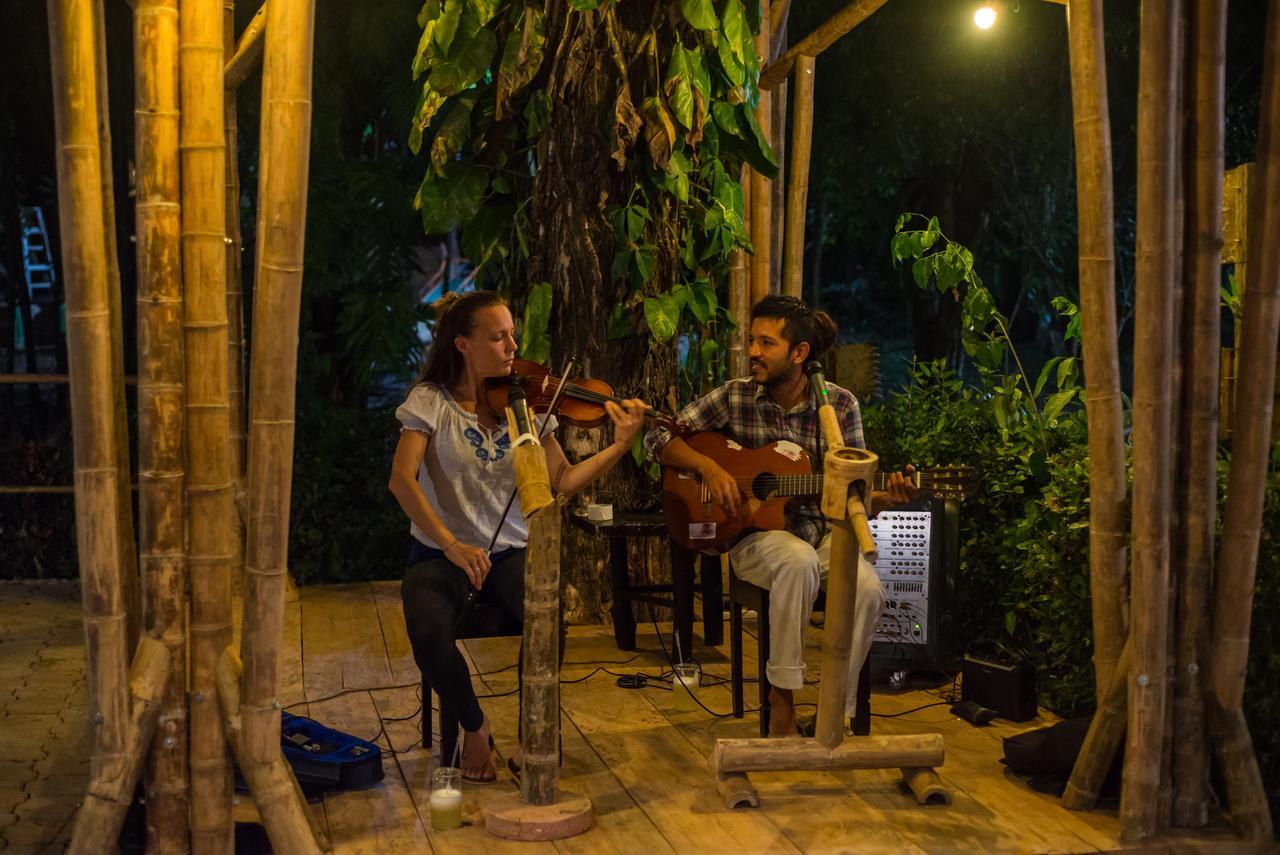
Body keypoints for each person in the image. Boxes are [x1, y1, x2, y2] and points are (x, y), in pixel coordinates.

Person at [389, 290, 647, 783]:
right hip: (441, 552)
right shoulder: (431, 403)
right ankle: (476, 725)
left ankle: (534, 734)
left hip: (509, 552)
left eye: (512, 334)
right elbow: (401, 480)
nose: (513, 346)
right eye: (498, 336)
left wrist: (619, 446)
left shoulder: (524, 404)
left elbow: (564, 481)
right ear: (463, 345)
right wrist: (451, 545)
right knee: (425, 629)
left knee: (549, 617)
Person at [644, 295, 915, 737]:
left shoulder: (840, 408)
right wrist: (709, 468)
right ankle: (781, 698)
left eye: (765, 343)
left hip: (823, 533)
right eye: (752, 340)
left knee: (868, 589)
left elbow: (857, 498)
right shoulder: (735, 396)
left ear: (799, 353)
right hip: (754, 540)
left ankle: (836, 710)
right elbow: (656, 437)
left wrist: (888, 497)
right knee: (796, 561)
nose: (752, 351)